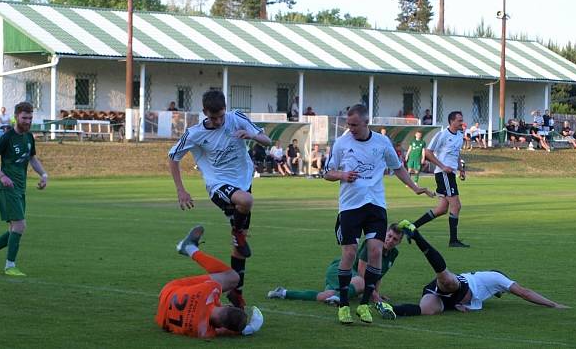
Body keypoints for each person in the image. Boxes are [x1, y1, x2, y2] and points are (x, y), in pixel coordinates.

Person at [324, 104, 433, 325]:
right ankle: (344, 305)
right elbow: (327, 172)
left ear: (366, 123)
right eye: (348, 124)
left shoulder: (382, 143)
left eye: (354, 125)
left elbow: (397, 167)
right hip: (350, 207)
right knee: (349, 253)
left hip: (375, 205)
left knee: (376, 251)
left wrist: (414, 187)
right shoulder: (342, 143)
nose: (351, 128)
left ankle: (364, 305)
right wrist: (343, 175)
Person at [168, 90, 271, 309]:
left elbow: (267, 140)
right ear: (204, 112)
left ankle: (236, 294)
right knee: (246, 201)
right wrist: (181, 190)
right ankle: (237, 233)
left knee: (239, 248)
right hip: (218, 185)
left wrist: (251, 135)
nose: (218, 121)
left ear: (226, 109)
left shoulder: (237, 118)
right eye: (213, 118)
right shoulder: (195, 133)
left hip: (243, 180)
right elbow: (173, 157)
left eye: (221, 116)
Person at [389, 220, 568, 317]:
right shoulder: (495, 278)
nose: (504, 291)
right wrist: (553, 304)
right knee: (447, 279)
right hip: (459, 286)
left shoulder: (486, 289)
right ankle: (418, 235)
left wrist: (464, 305)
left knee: (426, 309)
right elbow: (524, 292)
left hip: (449, 299)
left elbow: (474, 301)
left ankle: (387, 308)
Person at [267, 223, 403, 320]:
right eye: (389, 236)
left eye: (395, 239)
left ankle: (283, 293)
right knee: (362, 282)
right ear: (385, 233)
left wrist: (377, 294)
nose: (390, 240)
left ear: (399, 242)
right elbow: (362, 271)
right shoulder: (372, 244)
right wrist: (373, 295)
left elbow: (378, 274)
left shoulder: (393, 254)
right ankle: (339, 297)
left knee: (324, 296)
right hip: (342, 269)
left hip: (352, 279)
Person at [0, 102, 48, 277]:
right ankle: (10, 266)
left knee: (14, 229)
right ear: (16, 117)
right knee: (20, 225)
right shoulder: (7, 137)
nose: (27, 121)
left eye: (30, 118)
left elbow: (32, 159)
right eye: (24, 118)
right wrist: (2, 176)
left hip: (20, 188)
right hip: (7, 188)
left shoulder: (29, 137)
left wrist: (44, 175)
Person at [156, 225, 263, 338]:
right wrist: (249, 329)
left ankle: (189, 248)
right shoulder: (204, 332)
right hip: (162, 318)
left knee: (232, 277)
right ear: (223, 326)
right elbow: (222, 331)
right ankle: (189, 248)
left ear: (228, 306)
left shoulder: (212, 290)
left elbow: (209, 301)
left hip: (167, 292)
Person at [409, 111, 470, 248]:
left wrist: (461, 169)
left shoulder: (460, 136)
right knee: (456, 205)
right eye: (459, 121)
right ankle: (453, 241)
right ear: (452, 121)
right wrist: (443, 166)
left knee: (442, 209)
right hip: (443, 174)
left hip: (450, 174)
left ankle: (411, 227)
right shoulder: (442, 135)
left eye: (462, 120)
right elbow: (428, 152)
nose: (462, 123)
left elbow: (456, 153)